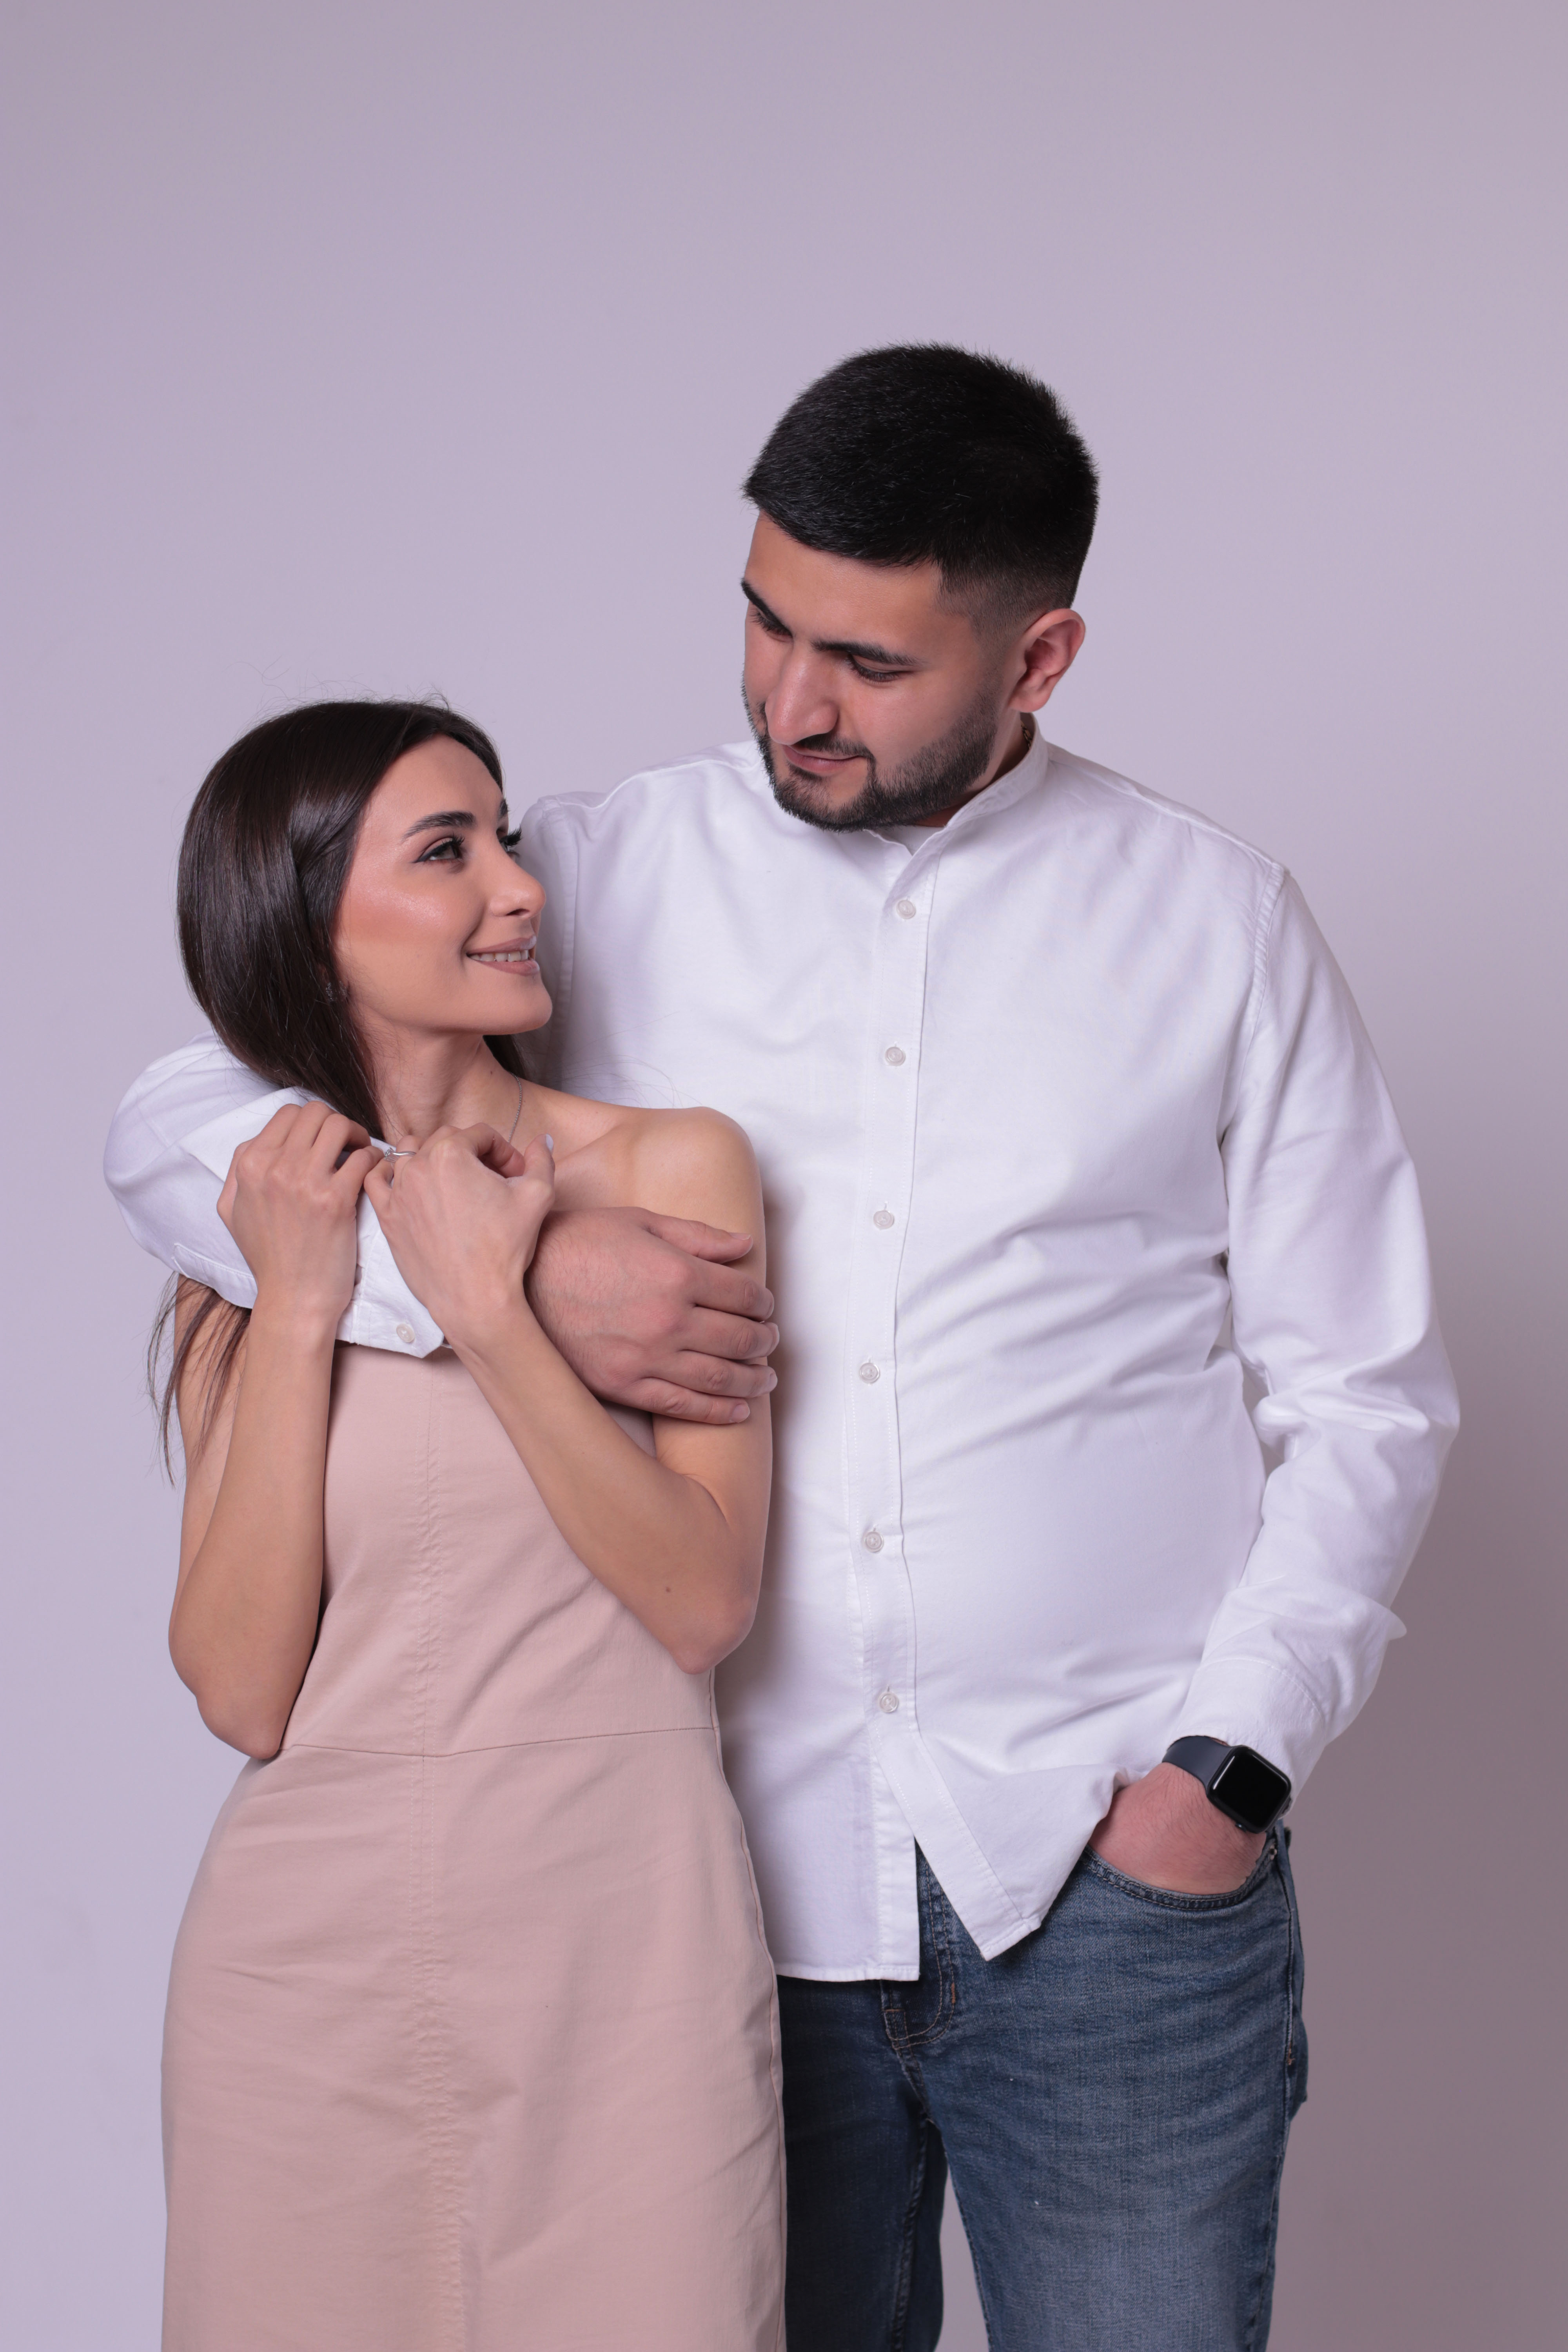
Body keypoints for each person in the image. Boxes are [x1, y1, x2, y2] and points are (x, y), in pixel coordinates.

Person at [109, 347, 1459, 2352]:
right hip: (709, 1894)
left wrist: (1224, 1775)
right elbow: (190, 1107)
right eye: (760, 620)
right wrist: (501, 1287)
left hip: (1098, 1887)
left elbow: (1367, 1393)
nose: (789, 700)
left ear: (1041, 654)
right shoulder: (593, 873)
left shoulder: (1215, 926)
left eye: (866, 660)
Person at [134, 701, 784, 2352]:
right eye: (448, 852)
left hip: (618, 1943)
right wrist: (295, 1307)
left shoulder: (669, 1170)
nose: (518, 888)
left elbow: (703, 1601)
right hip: (305, 1965)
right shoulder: (256, 1229)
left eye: (504, 837)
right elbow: (242, 1691)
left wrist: (490, 1311)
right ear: (305, 922)